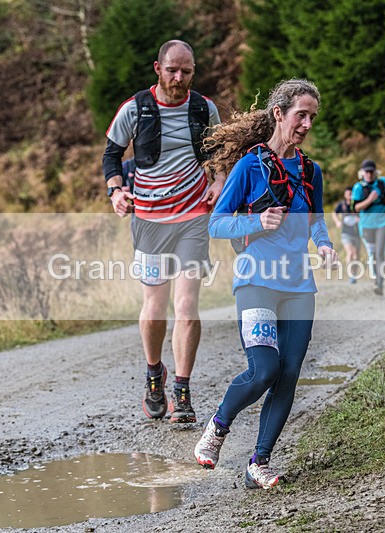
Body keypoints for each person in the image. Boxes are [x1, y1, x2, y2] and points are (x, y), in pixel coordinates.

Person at [192, 79, 337, 489]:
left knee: (288, 373)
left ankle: (259, 462)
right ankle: (219, 427)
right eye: (300, 115)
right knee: (263, 370)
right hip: (256, 281)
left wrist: (324, 246)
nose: (307, 123)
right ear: (279, 114)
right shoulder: (250, 166)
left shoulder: (311, 171)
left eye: (312, 117)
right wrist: (258, 220)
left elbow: (317, 219)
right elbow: (217, 222)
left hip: (298, 287)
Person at [102, 40, 226, 423]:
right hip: (150, 220)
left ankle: (183, 392)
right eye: (172, 70)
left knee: (187, 305)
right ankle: (155, 373)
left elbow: (221, 154)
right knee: (154, 309)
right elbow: (111, 155)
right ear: (158, 68)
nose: (179, 78)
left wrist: (219, 179)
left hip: (193, 217)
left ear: (193, 71)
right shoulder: (135, 108)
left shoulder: (205, 109)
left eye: (186, 71)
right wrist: (116, 190)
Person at [352, 159, 385, 296]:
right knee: (373, 254)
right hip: (366, 224)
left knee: (380, 252)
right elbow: (356, 207)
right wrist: (370, 199)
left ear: (375, 172)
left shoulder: (383, 183)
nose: (369, 174)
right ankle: (376, 277)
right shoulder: (358, 187)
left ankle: (380, 283)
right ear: (362, 173)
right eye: (367, 172)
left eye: (371, 172)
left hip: (383, 222)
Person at [331, 186, 361, 283]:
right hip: (346, 233)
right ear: (345, 195)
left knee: (356, 256)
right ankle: (350, 275)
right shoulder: (342, 205)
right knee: (350, 253)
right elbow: (334, 213)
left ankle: (354, 274)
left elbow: (363, 214)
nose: (350, 195)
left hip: (357, 233)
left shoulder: (357, 205)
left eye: (351, 193)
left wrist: (360, 220)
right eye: (348, 193)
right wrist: (337, 222)